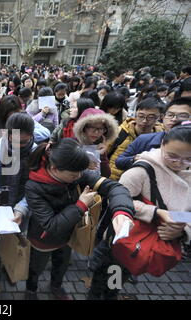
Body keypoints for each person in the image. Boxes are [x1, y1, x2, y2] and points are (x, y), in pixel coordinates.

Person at [88, 123, 191, 300]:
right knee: (109, 278)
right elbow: (119, 200)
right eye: (172, 156)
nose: (179, 163)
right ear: (162, 145)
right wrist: (156, 212)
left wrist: (183, 230)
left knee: (123, 275)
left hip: (152, 243)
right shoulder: (142, 170)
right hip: (124, 239)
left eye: (187, 159)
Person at [25, 138, 135, 300]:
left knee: (61, 265)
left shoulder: (76, 173)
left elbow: (114, 187)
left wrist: (122, 212)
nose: (78, 177)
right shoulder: (33, 186)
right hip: (43, 240)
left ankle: (56, 286)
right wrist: (81, 205)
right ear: (54, 168)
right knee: (35, 268)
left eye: (80, 173)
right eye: (73, 175)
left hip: (69, 236)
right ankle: (31, 290)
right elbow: (51, 225)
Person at [0, 112, 36, 283]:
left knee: (15, 236)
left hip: (20, 207)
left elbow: (35, 186)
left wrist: (22, 208)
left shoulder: (36, 153)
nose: (20, 145)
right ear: (7, 133)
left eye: (24, 142)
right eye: (16, 141)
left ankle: (10, 262)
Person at [116, 97, 191, 171]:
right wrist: (140, 158)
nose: (174, 119)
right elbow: (119, 162)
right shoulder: (144, 140)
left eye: (183, 116)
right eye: (170, 115)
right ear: (163, 117)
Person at [107, 97, 164, 180]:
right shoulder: (120, 132)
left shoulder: (161, 136)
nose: (144, 121)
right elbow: (105, 154)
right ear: (135, 115)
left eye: (151, 117)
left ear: (159, 117)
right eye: (141, 116)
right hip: (115, 178)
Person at [72, 108, 119, 177]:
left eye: (101, 129)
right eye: (92, 127)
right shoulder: (72, 144)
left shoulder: (99, 146)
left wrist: (102, 155)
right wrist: (82, 164)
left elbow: (106, 175)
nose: (96, 132)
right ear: (83, 127)